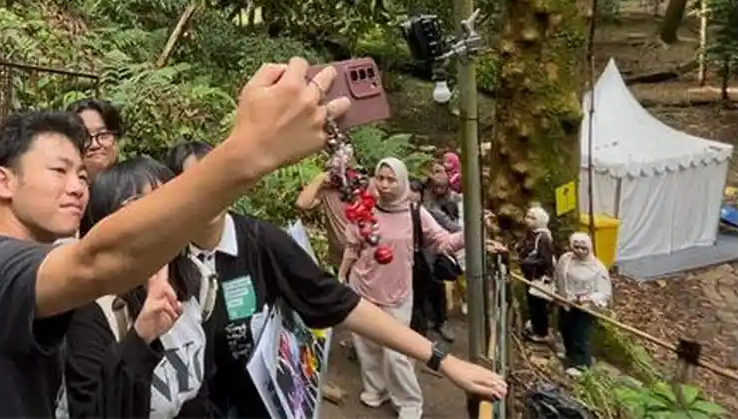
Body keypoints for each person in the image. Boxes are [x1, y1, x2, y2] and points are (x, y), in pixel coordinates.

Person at [0, 58, 360, 417]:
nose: (78, 185)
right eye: (59, 170)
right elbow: (98, 261)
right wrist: (250, 152)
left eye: (82, 174)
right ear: (2, 182)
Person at [174, 147, 507, 419]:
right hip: (187, 407)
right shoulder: (160, 259)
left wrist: (443, 361)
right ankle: (374, 390)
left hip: (255, 404)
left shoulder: (262, 244)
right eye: (195, 181)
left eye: (217, 178)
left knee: (388, 354)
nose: (210, 192)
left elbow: (340, 304)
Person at [338, 157, 493, 419]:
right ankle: (376, 390)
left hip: (397, 293)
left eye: (391, 179)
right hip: (362, 288)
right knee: (366, 345)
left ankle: (408, 402)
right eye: (381, 178)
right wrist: (342, 277)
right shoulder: (364, 208)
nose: (385, 185)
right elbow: (352, 247)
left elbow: (443, 242)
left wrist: (472, 231)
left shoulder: (415, 213)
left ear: (402, 181)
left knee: (396, 352)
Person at [60, 157, 214, 419]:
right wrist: (140, 337)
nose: (160, 215)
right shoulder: (93, 309)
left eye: (168, 199)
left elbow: (198, 393)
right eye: (139, 207)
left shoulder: (197, 280)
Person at [417, 159, 464, 342]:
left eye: (443, 186)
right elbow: (441, 219)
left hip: (439, 244)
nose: (439, 190)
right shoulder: (426, 201)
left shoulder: (450, 197)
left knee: (438, 283)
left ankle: (441, 320)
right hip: (424, 245)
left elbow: (455, 208)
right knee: (424, 284)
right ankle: (425, 322)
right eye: (436, 186)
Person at [555, 232, 610, 377]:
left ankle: (582, 365)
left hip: (584, 308)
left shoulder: (597, 268)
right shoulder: (565, 260)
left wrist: (587, 298)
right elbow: (559, 276)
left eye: (583, 248)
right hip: (566, 303)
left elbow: (605, 292)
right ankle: (570, 356)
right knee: (565, 330)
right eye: (576, 247)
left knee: (580, 335)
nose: (579, 250)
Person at [518, 204, 555, 343]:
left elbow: (545, 260)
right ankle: (534, 325)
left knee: (539, 304)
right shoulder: (530, 234)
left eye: (532, 218)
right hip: (529, 275)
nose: (528, 220)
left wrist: (527, 262)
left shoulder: (543, 238)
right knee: (532, 303)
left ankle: (542, 332)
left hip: (539, 277)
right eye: (527, 216)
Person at [68, 98, 123, 180]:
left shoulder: (138, 185)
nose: (94, 145)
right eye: (84, 137)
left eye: (103, 134)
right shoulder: (63, 190)